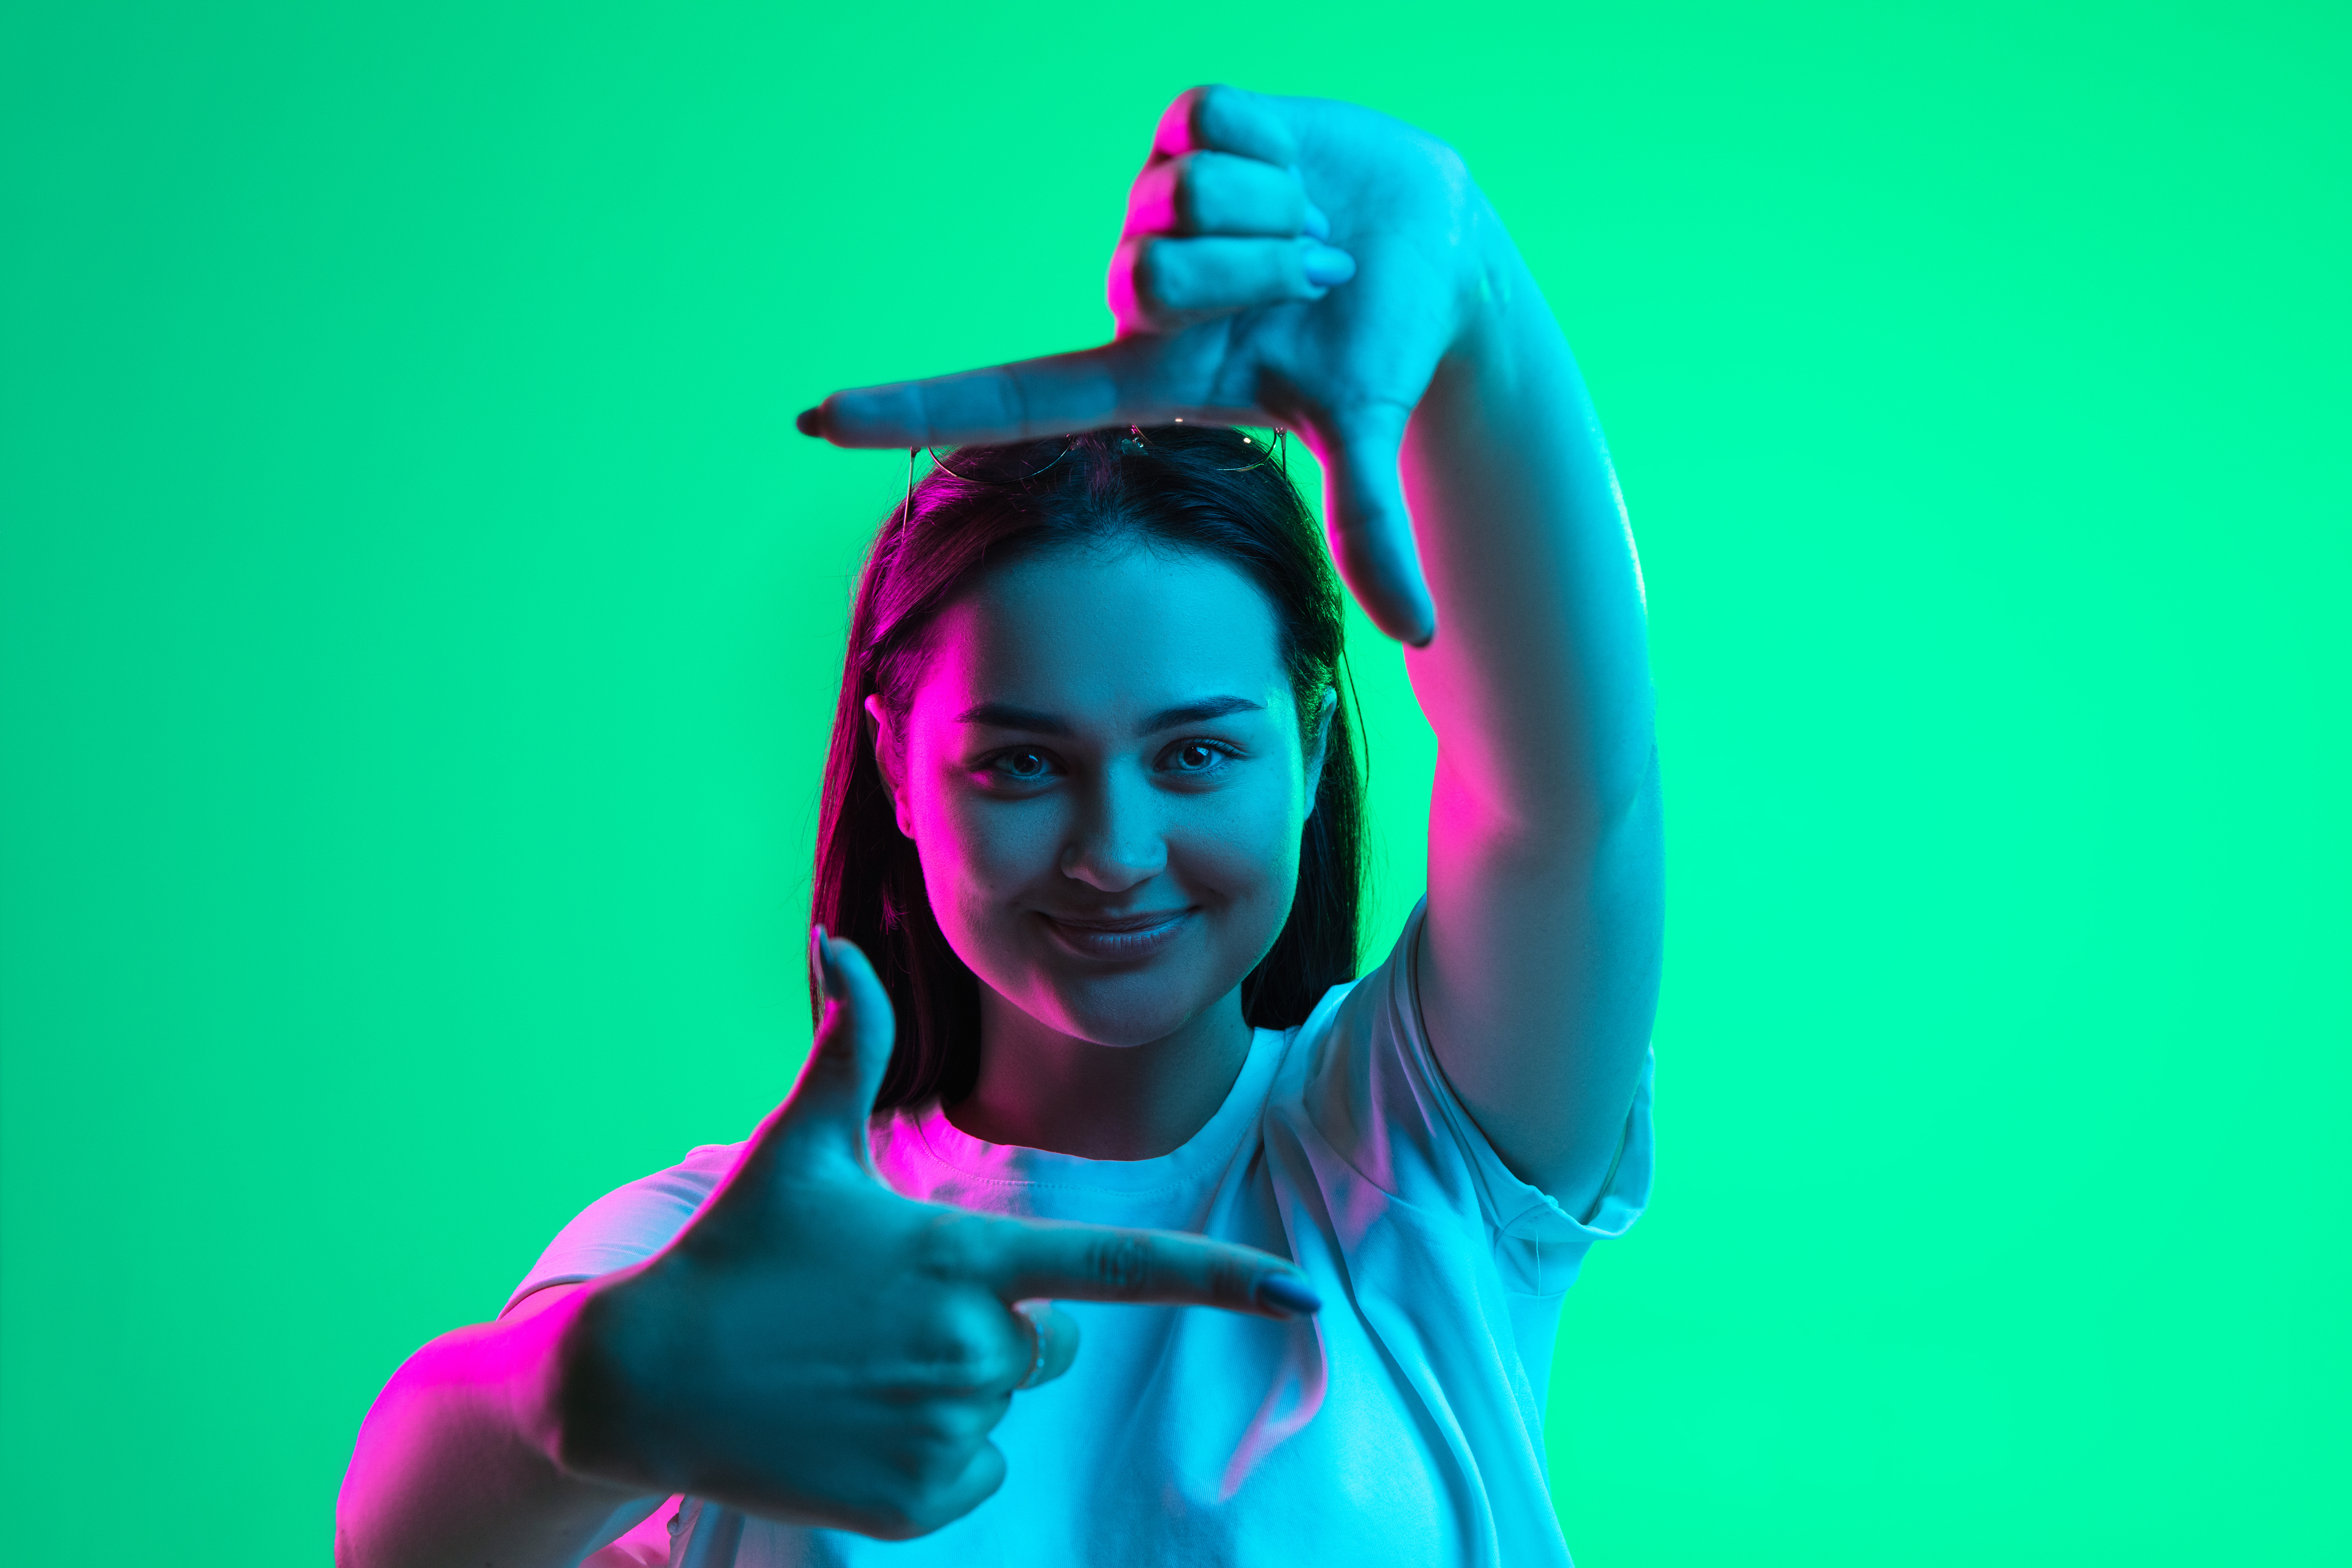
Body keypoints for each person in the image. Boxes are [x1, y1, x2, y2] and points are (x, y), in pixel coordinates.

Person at [336, 84, 1661, 1567]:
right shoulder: (749, 1245)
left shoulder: (1416, 1148)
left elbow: (1575, 811)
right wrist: (593, 1392)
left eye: (1198, 752)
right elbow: (411, 1536)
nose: (1116, 849)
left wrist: (1468, 293)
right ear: (898, 763)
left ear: (1310, 748)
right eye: (1023, 766)